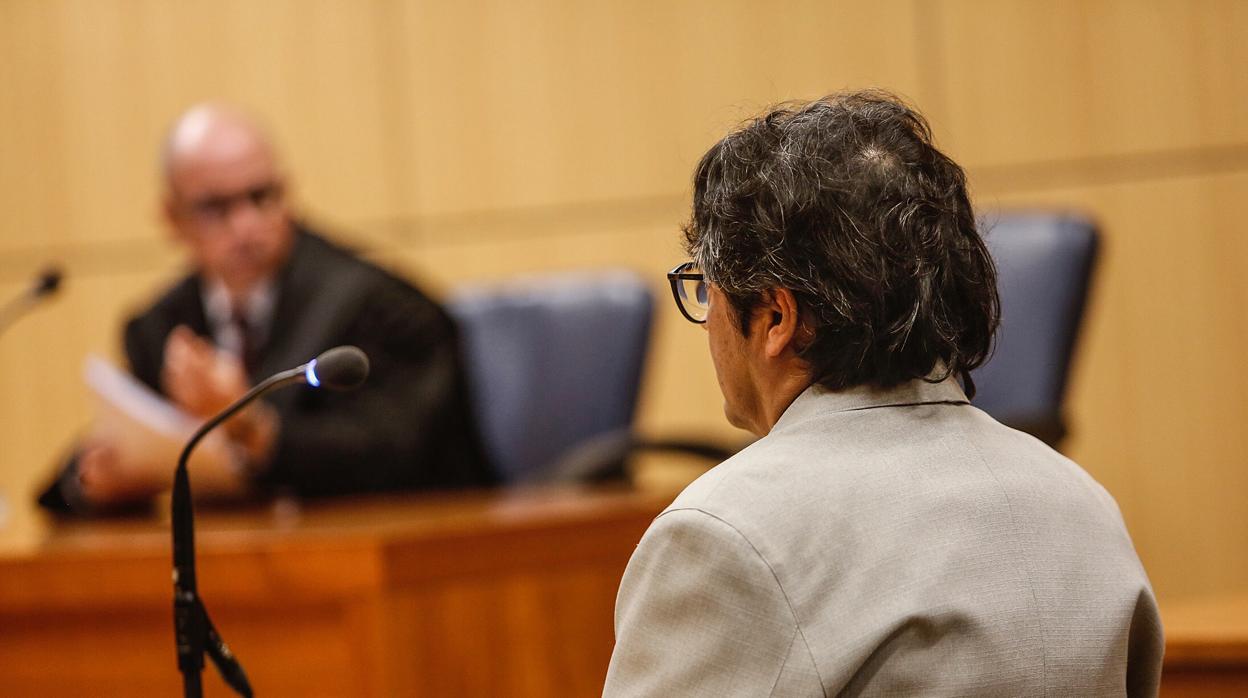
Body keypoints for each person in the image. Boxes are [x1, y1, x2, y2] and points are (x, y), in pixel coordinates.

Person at [604, 92, 1163, 695]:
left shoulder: (724, 534)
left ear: (775, 316)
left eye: (705, 290)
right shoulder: (1084, 505)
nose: (707, 323)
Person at [39, 104, 496, 513]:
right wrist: (95, 481)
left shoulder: (386, 309)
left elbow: (394, 456)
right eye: (216, 207)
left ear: (286, 192)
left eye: (260, 197)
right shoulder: (160, 326)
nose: (245, 225)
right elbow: (92, 464)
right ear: (172, 218)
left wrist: (251, 429)